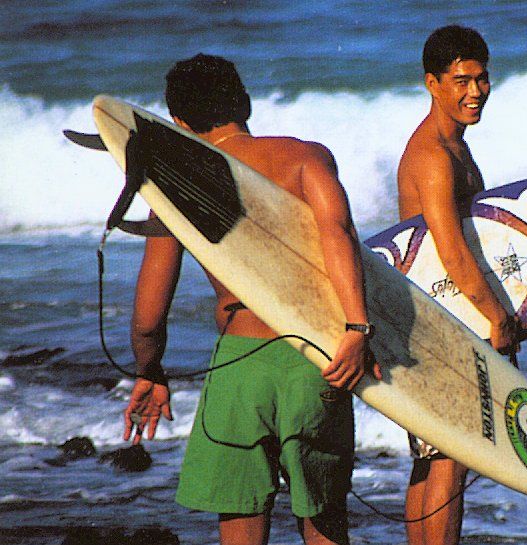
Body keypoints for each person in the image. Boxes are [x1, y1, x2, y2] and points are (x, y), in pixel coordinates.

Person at [121, 53, 380, 545]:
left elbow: (149, 316)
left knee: (241, 526)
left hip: (240, 366)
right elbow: (339, 233)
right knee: (325, 524)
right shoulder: (307, 157)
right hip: (318, 358)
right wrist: (359, 331)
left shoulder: (173, 183)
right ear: (245, 103)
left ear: (178, 123)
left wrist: (149, 371)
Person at [397, 26, 527, 545]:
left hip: (440, 320)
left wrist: (526, 314)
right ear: (432, 83)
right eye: (461, 80)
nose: (475, 92)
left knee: (434, 459)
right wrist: (498, 320)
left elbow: (486, 252)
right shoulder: (434, 157)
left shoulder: (456, 149)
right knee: (451, 458)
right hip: (442, 327)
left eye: (482, 79)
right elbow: (452, 255)